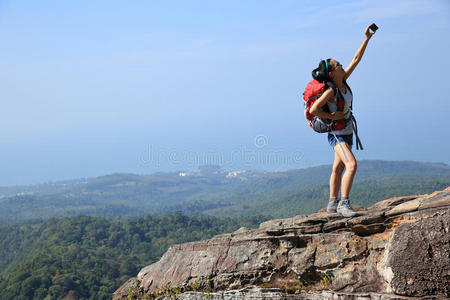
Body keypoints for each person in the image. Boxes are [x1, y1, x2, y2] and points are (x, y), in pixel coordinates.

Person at [309, 25, 375, 217]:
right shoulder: (330, 92)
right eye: (337, 65)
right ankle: (343, 204)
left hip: (346, 131)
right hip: (336, 134)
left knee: (337, 168)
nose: (341, 65)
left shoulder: (343, 80)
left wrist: (367, 39)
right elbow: (313, 110)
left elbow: (356, 59)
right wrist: (332, 117)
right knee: (352, 165)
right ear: (331, 73)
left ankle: (332, 203)